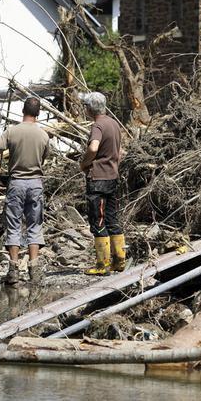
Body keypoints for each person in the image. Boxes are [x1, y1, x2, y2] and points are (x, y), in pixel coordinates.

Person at [0, 97, 51, 285]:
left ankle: (13, 271)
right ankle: (34, 271)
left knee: (14, 225)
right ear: (38, 113)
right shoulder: (43, 135)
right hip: (35, 184)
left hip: (16, 183)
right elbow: (44, 157)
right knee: (34, 225)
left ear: (23, 110)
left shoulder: (11, 131)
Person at [78, 92, 125, 276]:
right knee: (112, 218)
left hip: (97, 178)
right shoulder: (114, 123)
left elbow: (93, 148)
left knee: (97, 219)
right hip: (113, 176)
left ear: (90, 108)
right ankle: (119, 261)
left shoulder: (98, 126)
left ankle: (102, 265)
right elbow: (120, 152)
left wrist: (84, 163)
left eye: (85, 106)